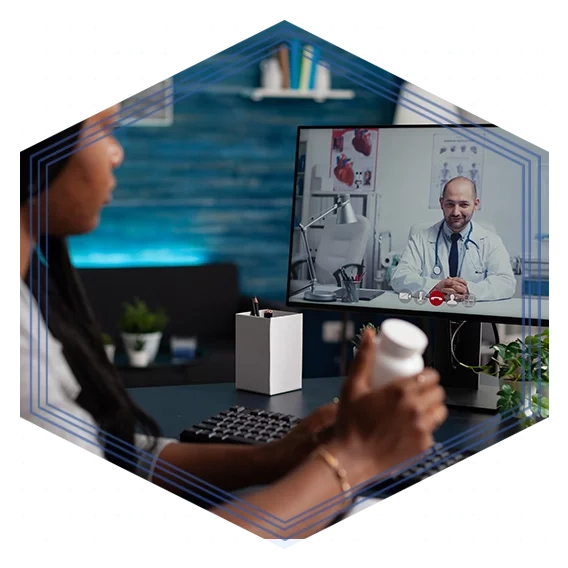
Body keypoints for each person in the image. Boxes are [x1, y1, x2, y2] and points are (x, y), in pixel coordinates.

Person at [20, 21, 447, 540]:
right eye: (103, 127)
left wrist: (279, 457)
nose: (117, 153)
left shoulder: (30, 300)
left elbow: (123, 463)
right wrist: (352, 461)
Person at [390, 176, 516, 302]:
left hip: (473, 316)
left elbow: (506, 282)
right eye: (450, 204)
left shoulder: (491, 241)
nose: (456, 212)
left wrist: (468, 291)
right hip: (430, 314)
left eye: (464, 204)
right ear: (441, 203)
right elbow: (399, 276)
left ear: (475, 204)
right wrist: (434, 287)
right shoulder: (419, 239)